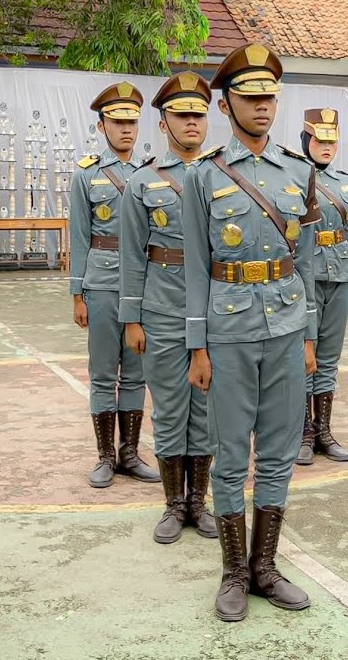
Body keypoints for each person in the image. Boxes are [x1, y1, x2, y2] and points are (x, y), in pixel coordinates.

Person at [182, 43, 321, 622]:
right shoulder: (202, 175)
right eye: (250, 96)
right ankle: (234, 572)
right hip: (230, 328)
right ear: (225, 103)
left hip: (287, 326)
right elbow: (193, 264)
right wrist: (196, 344)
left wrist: (311, 335)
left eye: (269, 96)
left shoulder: (300, 170)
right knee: (231, 452)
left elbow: (307, 259)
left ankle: (265, 567)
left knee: (281, 451)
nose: (263, 106)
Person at [118, 71, 217, 544]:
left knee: (207, 408)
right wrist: (131, 319)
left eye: (199, 114)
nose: (192, 123)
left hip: (218, 308)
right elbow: (132, 255)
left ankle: (200, 500)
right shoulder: (143, 182)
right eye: (182, 115)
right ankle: (174, 504)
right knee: (171, 407)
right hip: (162, 306)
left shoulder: (223, 174)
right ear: (163, 123)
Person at [70, 82, 159, 488]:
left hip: (142, 283)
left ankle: (130, 454)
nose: (126, 129)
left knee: (137, 371)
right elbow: (79, 235)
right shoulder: (86, 174)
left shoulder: (151, 175)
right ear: (102, 125)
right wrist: (78, 294)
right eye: (117, 121)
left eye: (132, 122)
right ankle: (105, 456)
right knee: (104, 372)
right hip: (103, 281)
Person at [296, 108, 348, 466]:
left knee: (329, 358)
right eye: (320, 140)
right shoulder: (293, 178)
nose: (326, 147)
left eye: (332, 141)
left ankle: (324, 431)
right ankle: (303, 431)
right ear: (306, 140)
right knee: (305, 357)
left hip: (338, 276)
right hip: (306, 278)